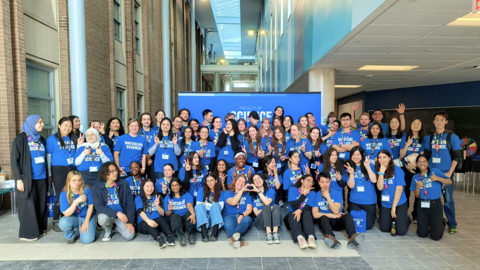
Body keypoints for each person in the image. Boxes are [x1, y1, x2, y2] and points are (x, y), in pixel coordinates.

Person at [11, 115, 48, 241]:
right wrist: (18, 179)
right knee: (28, 205)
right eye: (39, 122)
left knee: (40, 204)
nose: (42, 125)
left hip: (41, 177)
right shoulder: (20, 140)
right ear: (31, 124)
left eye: (42, 122)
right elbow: (14, 161)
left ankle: (39, 229)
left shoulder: (42, 140)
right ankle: (28, 233)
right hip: (27, 179)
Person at [424, 112, 461, 234]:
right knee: (432, 198)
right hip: (433, 174)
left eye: (441, 120)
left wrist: (450, 173)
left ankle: (452, 224)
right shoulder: (430, 137)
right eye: (436, 119)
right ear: (433, 122)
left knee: (448, 199)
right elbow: (427, 155)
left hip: (446, 174)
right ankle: (433, 221)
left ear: (446, 122)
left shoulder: (452, 137)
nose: (439, 122)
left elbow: (457, 156)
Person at [312, 171, 365, 249]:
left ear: (330, 181)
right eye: (322, 182)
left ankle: (353, 236)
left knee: (348, 216)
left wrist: (328, 197)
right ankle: (332, 238)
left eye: (327, 182)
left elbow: (336, 211)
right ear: (319, 182)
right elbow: (315, 214)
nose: (325, 184)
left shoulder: (337, 193)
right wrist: (331, 215)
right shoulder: (316, 195)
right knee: (323, 217)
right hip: (326, 222)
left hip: (337, 220)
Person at [410, 155, 452, 241]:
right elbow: (417, 196)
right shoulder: (415, 177)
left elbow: (449, 181)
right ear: (417, 164)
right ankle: (429, 223)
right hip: (422, 205)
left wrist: (437, 178)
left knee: (435, 237)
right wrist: (418, 186)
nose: (422, 164)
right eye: (419, 162)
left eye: (424, 161)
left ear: (428, 163)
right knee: (422, 234)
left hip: (435, 205)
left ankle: (442, 222)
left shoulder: (434, 171)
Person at [47, 117, 78, 231]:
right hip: (58, 170)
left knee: (72, 193)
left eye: (69, 126)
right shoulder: (52, 139)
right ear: (59, 126)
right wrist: (50, 175)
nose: (67, 128)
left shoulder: (74, 138)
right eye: (65, 125)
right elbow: (48, 157)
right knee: (61, 194)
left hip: (72, 168)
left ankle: (67, 217)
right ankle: (56, 220)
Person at [92, 162, 136, 241]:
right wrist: (117, 213)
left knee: (130, 235)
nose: (115, 173)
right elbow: (99, 207)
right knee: (102, 218)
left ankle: (116, 227)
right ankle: (108, 229)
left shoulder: (124, 184)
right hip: (107, 216)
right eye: (111, 171)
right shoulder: (96, 188)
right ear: (105, 173)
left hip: (122, 216)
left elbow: (130, 204)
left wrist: (130, 222)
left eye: (115, 170)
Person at [376, 150, 410, 236]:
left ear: (390, 158)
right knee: (384, 228)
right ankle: (393, 220)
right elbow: (380, 188)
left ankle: (406, 219)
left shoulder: (398, 170)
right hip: (386, 203)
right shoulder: (379, 169)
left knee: (401, 232)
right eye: (380, 157)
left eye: (384, 157)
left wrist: (394, 207)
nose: (382, 160)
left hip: (398, 203)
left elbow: (399, 190)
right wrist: (381, 173)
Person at [58, 171, 96, 244]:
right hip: (74, 218)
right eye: (74, 180)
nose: (77, 183)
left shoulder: (87, 190)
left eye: (79, 180)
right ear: (68, 181)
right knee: (63, 222)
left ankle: (91, 226)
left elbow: (91, 206)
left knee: (87, 241)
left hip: (87, 216)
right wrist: (75, 202)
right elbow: (66, 214)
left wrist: (86, 222)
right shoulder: (64, 194)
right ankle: (69, 236)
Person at [135, 178, 175, 248]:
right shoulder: (139, 198)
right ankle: (159, 238)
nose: (150, 188)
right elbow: (140, 211)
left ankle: (169, 236)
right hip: (144, 223)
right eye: (147, 186)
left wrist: (157, 206)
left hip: (157, 223)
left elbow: (162, 214)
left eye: (152, 186)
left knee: (161, 220)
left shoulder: (157, 197)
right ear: (143, 187)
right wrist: (148, 221)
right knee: (149, 224)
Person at [399, 118, 425, 223]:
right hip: (405, 169)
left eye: (419, 123)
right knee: (405, 192)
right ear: (410, 125)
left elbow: (424, 154)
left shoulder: (424, 139)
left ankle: (416, 215)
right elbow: (401, 155)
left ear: (421, 126)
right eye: (414, 123)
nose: (416, 125)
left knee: (418, 192)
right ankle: (404, 213)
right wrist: (407, 144)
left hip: (418, 169)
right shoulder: (405, 137)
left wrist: (414, 164)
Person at [346, 146, 377, 230]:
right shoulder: (348, 167)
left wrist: (367, 167)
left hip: (368, 201)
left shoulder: (370, 165)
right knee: (355, 225)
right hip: (355, 201)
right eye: (353, 154)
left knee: (368, 226)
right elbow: (351, 186)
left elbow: (374, 180)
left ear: (363, 155)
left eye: (358, 154)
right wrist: (351, 173)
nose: (356, 157)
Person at [285, 175, 316, 250]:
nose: (310, 183)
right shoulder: (293, 189)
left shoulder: (312, 193)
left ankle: (311, 237)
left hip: (305, 219)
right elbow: (294, 206)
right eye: (308, 180)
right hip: (292, 219)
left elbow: (307, 208)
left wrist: (300, 210)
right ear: (302, 181)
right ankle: (300, 238)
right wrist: (304, 194)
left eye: (312, 182)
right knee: (292, 213)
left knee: (306, 213)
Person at [250, 174, 282, 245]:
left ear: (263, 179)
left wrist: (258, 192)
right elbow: (256, 213)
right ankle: (268, 234)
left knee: (276, 206)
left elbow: (267, 202)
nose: (257, 180)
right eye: (255, 180)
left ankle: (275, 233)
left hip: (274, 221)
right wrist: (266, 209)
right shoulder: (252, 196)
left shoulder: (271, 191)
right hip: (261, 222)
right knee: (267, 207)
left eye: (258, 178)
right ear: (253, 184)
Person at [164, 178, 196, 246]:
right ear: (170, 187)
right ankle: (181, 237)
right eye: (172, 185)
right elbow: (167, 214)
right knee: (174, 216)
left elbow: (189, 206)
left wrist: (193, 214)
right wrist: (169, 209)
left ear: (180, 185)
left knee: (189, 215)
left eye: (176, 185)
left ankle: (191, 236)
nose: (175, 187)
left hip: (185, 218)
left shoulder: (187, 195)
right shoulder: (167, 198)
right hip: (176, 221)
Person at [223, 174, 253, 248]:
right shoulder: (228, 193)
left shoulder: (248, 194)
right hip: (230, 216)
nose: (241, 183)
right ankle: (239, 241)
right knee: (228, 225)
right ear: (235, 181)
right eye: (239, 181)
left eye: (243, 182)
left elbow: (249, 209)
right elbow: (233, 202)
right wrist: (241, 191)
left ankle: (233, 238)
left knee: (248, 219)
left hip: (243, 216)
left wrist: (241, 215)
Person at [194, 173, 225, 242]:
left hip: (214, 220)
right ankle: (204, 233)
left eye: (211, 180)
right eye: (207, 181)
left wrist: (207, 205)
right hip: (203, 219)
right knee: (199, 206)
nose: (209, 183)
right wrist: (211, 206)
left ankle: (215, 232)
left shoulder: (220, 192)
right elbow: (198, 204)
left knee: (216, 206)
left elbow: (220, 207)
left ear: (216, 181)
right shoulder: (202, 190)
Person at [139, 113, 158, 180]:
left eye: (148, 119)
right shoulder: (138, 132)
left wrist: (149, 158)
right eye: (144, 119)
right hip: (140, 160)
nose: (146, 121)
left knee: (152, 181)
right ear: (141, 121)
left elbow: (157, 147)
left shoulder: (156, 133)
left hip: (152, 160)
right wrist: (146, 159)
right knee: (141, 181)